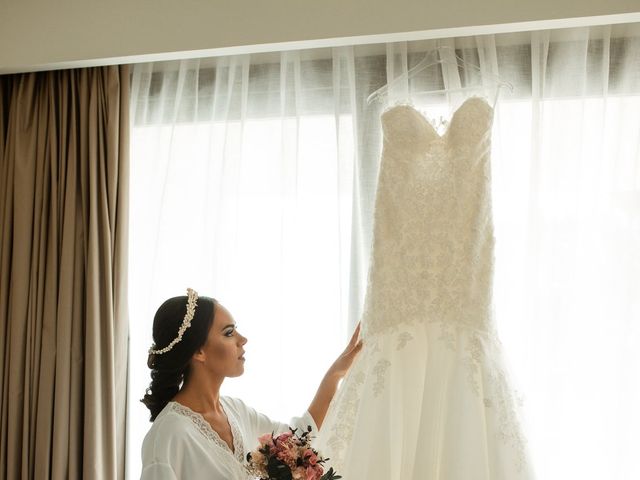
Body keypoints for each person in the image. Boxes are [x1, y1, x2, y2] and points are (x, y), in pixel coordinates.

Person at [140, 288, 362, 479]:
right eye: (228, 333)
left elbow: (297, 440)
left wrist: (335, 374)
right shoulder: (168, 435)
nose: (242, 339)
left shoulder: (235, 411)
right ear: (198, 351)